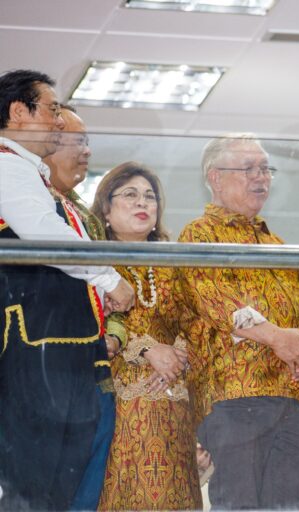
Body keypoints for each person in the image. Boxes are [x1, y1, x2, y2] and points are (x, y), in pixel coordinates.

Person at [0, 69, 134, 510]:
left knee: (55, 486)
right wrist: (110, 278)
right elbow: (46, 235)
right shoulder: (5, 164)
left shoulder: (26, 171)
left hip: (56, 348)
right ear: (18, 112)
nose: (59, 121)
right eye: (52, 109)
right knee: (33, 484)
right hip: (34, 347)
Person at [176, 133, 299, 510]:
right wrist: (279, 338)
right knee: (240, 504)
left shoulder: (277, 243)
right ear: (215, 177)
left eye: (265, 169)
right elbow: (216, 300)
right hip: (236, 396)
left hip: (291, 397)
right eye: (249, 169)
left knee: (291, 506)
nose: (261, 177)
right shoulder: (199, 234)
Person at [90, 162, 202, 510]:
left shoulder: (176, 263)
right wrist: (145, 349)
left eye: (150, 196)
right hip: (116, 406)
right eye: (130, 194)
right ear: (106, 209)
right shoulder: (91, 263)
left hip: (174, 405)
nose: (142, 203)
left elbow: (198, 321)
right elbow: (88, 322)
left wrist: (178, 354)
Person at [41, 105, 117, 511]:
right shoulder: (24, 208)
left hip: (94, 372)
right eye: (76, 141)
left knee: (85, 497)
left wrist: (117, 332)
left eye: (88, 142)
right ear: (46, 144)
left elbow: (110, 294)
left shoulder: (85, 215)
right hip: (43, 371)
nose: (86, 151)